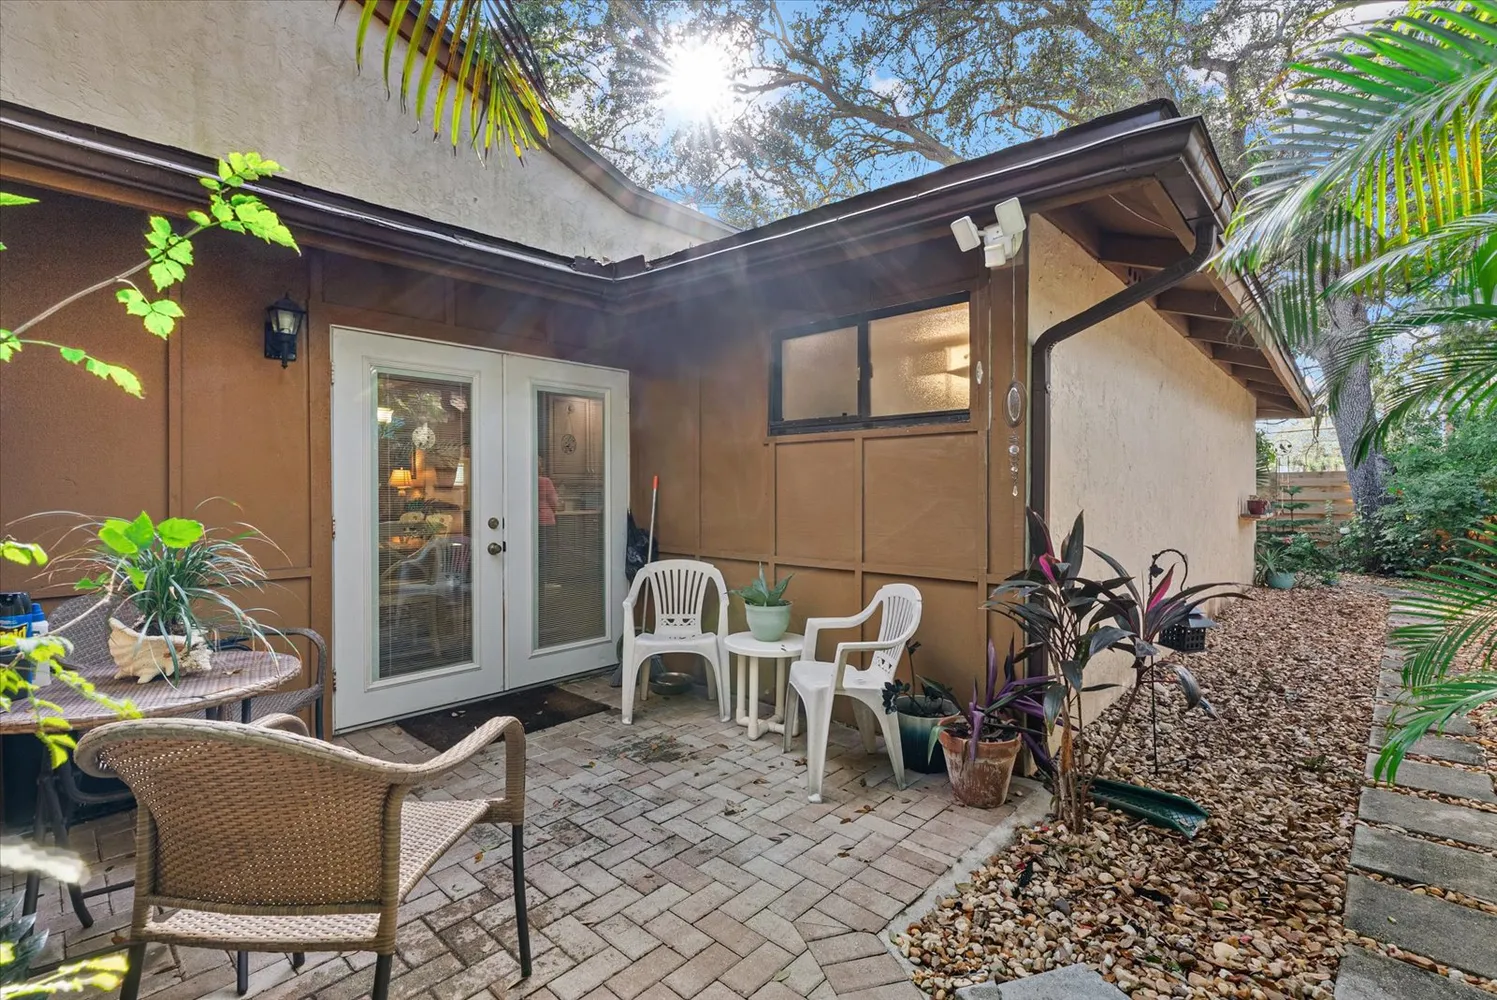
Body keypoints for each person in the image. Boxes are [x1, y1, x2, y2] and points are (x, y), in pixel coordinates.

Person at [538, 457, 560, 585]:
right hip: (546, 520)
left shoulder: (525, 481)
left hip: (533, 521)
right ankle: (545, 580)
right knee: (545, 552)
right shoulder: (545, 481)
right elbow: (554, 502)